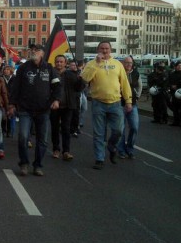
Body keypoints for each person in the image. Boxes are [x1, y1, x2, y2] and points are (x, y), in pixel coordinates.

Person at [8, 44, 62, 176]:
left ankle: (38, 165)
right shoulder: (22, 68)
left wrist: (56, 100)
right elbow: (15, 87)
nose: (33, 52)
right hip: (25, 109)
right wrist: (11, 104)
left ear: (42, 54)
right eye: (31, 50)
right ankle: (24, 163)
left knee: (42, 140)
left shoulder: (49, 68)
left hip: (43, 110)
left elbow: (57, 86)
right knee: (23, 137)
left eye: (37, 50)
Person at [81, 41, 132, 170]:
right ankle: (99, 159)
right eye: (102, 48)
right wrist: (97, 64)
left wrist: (128, 101)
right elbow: (85, 79)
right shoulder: (91, 64)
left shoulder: (117, 64)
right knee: (99, 133)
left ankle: (111, 145)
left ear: (111, 49)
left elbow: (125, 84)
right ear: (98, 50)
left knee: (118, 131)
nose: (104, 51)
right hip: (98, 103)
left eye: (107, 48)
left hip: (115, 103)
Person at [50, 55, 85, 161]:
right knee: (55, 128)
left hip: (68, 105)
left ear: (65, 63)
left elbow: (79, 88)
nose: (59, 64)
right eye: (57, 62)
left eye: (61, 62)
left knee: (66, 129)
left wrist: (81, 79)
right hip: (54, 106)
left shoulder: (71, 74)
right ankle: (56, 149)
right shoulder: (51, 74)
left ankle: (66, 151)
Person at [116, 56, 142, 159]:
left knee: (134, 127)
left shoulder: (136, 73)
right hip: (120, 104)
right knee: (120, 129)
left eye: (130, 63)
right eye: (126, 63)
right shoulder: (118, 73)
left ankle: (130, 148)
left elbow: (139, 85)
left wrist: (138, 96)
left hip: (133, 104)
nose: (129, 65)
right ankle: (121, 150)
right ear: (122, 63)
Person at [168, 61, 181, 127]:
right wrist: (171, 86)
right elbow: (168, 82)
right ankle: (176, 121)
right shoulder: (172, 74)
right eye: (178, 65)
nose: (180, 66)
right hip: (174, 93)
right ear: (175, 66)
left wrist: (177, 86)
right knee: (175, 108)